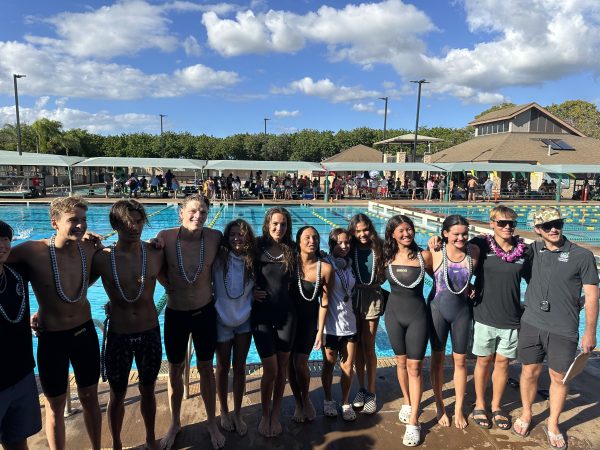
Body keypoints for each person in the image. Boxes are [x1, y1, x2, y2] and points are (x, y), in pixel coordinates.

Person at [8, 196, 102, 450]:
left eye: (83, 220)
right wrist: (32, 309)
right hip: (52, 337)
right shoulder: (32, 251)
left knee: (90, 396)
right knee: (54, 405)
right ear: (54, 223)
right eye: (73, 220)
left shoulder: (90, 248)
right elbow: (4, 262)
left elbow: (121, 254)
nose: (80, 226)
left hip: (85, 333)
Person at [428, 205, 529, 432]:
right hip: (459, 312)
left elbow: (534, 279)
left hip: (485, 315)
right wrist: (433, 239)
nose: (507, 227)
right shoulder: (464, 248)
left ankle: (481, 406)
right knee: (450, 361)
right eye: (501, 222)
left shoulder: (492, 250)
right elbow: (434, 270)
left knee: (480, 362)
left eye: (511, 223)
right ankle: (455, 405)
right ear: (491, 224)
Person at [513, 207, 598, 450]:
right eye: (547, 225)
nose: (554, 228)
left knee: (559, 378)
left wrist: (590, 332)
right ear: (538, 230)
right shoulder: (532, 251)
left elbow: (592, 296)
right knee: (528, 372)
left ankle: (552, 423)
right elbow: (502, 255)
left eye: (557, 223)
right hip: (531, 323)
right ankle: (527, 413)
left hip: (563, 328)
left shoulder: (582, 256)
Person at [91, 200, 164, 450]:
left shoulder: (155, 253)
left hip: (149, 332)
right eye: (128, 222)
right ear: (116, 224)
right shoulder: (102, 258)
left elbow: (182, 278)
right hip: (119, 335)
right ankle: (118, 444)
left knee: (148, 389)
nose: (135, 226)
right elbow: (75, 288)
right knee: (117, 394)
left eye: (139, 220)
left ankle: (151, 438)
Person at [157, 194, 224, 450]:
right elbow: (146, 258)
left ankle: (211, 421)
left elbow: (244, 246)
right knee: (175, 370)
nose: (199, 217)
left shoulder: (215, 237)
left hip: (204, 312)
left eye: (203, 212)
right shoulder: (166, 237)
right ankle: (174, 423)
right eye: (193, 211)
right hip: (176, 314)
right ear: (181, 213)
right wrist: (166, 282)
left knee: (207, 368)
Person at [384, 215, 433, 446]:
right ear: (392, 234)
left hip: (417, 317)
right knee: (401, 363)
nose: (406, 234)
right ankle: (407, 400)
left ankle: (414, 420)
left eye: (409, 229)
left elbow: (443, 278)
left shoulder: (425, 256)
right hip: (393, 316)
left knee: (415, 367)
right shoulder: (386, 257)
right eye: (401, 230)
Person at [427, 215, 479, 429]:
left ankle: (458, 408)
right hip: (437, 310)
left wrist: (474, 287)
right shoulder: (435, 250)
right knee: (437, 360)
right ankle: (440, 405)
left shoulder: (474, 252)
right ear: (445, 233)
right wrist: (432, 239)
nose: (461, 238)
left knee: (460, 361)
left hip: (462, 312)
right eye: (456, 234)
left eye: (464, 233)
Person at [251, 207, 296, 437]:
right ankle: (264, 414)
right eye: (275, 224)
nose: (279, 228)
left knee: (282, 369)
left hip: (287, 317)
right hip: (261, 317)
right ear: (268, 223)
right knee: (270, 369)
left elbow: (316, 258)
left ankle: (276, 413)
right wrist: (248, 293)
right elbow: (233, 265)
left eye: (284, 224)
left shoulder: (292, 249)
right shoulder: (256, 246)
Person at [0, 220, 42, 449]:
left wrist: (86, 236)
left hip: (23, 373)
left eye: (5, 239)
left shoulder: (17, 272)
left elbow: (49, 247)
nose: (2, 245)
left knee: (17, 441)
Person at [213, 219, 256, 437]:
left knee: (239, 367)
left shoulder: (253, 260)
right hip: (221, 319)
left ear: (248, 237)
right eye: (232, 235)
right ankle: (223, 410)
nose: (237, 238)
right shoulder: (218, 257)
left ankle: (237, 413)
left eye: (241, 234)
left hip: (245, 320)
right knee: (222, 368)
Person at [288, 227, 333, 423]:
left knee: (300, 363)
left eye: (315, 237)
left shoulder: (325, 268)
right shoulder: (290, 264)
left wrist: (320, 330)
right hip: (287, 322)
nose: (311, 241)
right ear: (298, 241)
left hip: (308, 322)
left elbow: (324, 302)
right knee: (289, 363)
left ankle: (306, 399)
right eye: (306, 238)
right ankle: (298, 402)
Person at [349, 214, 385, 415]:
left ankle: (372, 392)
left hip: (372, 295)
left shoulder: (379, 247)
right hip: (354, 299)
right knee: (357, 346)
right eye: (358, 231)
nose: (362, 234)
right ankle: (361, 389)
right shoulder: (350, 249)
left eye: (365, 230)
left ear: (371, 229)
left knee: (369, 345)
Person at [321, 228, 358, 422]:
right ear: (332, 244)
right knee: (328, 365)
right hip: (330, 325)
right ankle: (328, 399)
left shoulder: (350, 265)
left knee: (348, 365)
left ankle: (345, 402)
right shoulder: (325, 264)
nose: (344, 247)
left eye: (347, 243)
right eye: (340, 243)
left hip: (350, 323)